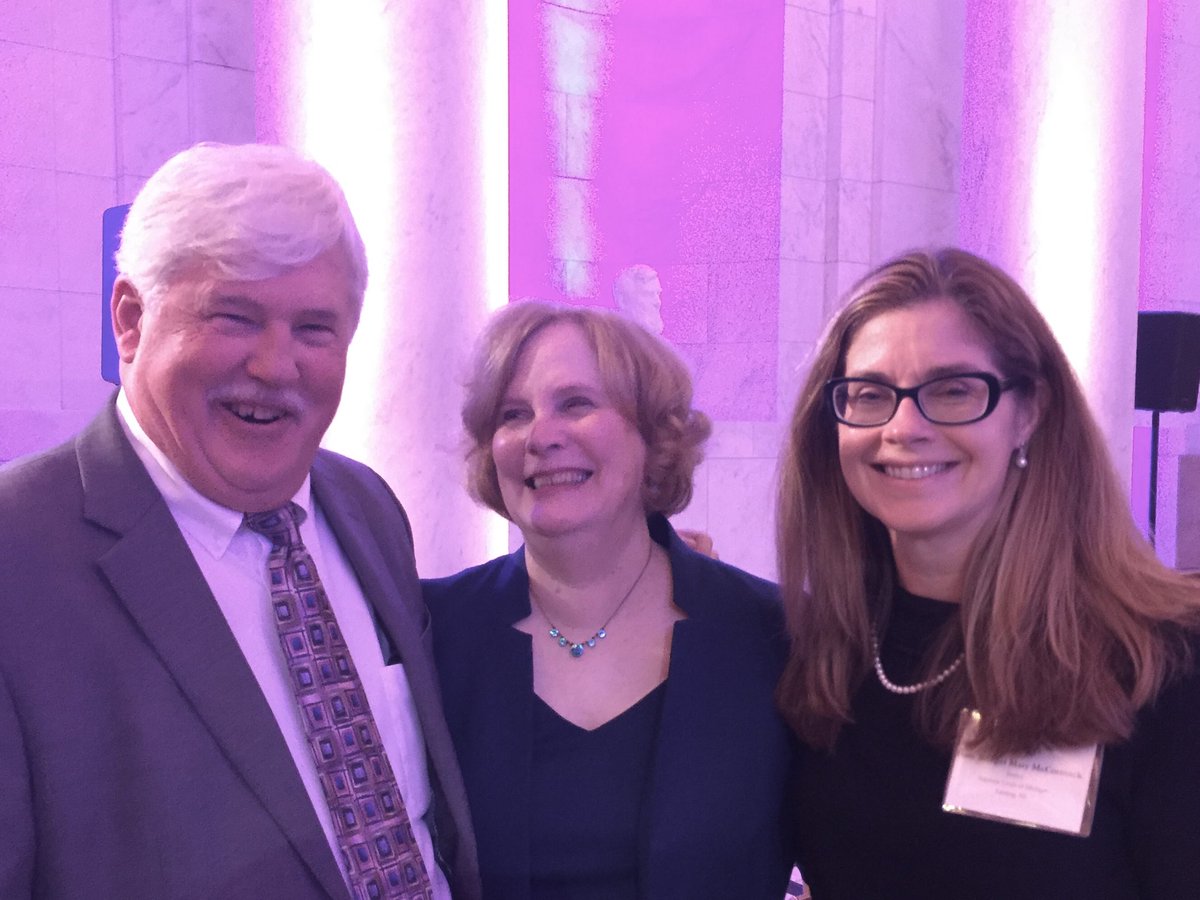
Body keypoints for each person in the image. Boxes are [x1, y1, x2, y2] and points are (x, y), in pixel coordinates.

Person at [0, 143, 480, 900]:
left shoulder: (367, 509)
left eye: (315, 329)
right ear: (130, 320)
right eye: (235, 316)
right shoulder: (18, 557)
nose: (274, 365)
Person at [777, 247, 1200, 898]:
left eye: (952, 390)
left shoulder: (1162, 660)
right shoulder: (824, 651)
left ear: (1028, 412)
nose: (904, 426)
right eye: (869, 395)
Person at [423, 301, 794, 898]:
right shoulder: (428, 634)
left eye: (576, 403)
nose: (541, 437)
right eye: (513, 414)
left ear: (654, 435)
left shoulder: (774, 636)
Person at [612, 263, 664, 335]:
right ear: (622, 301)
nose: (658, 302)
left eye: (658, 294)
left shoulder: (660, 344)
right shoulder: (608, 341)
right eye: (648, 295)